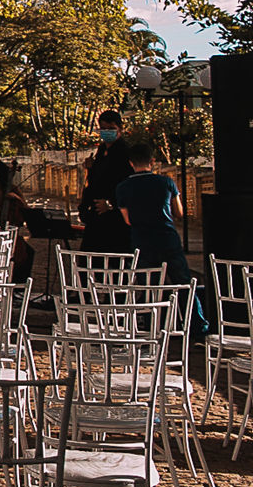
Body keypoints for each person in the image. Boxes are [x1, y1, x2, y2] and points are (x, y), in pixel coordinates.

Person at [115, 144, 210, 337]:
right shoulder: (166, 182)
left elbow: (128, 220)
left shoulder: (123, 187)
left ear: (131, 163)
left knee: (149, 285)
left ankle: (152, 325)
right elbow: (180, 212)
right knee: (183, 284)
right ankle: (197, 325)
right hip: (167, 238)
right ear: (152, 162)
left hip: (142, 241)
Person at [79, 109, 135, 252]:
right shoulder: (101, 150)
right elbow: (95, 180)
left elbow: (128, 184)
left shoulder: (125, 152)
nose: (107, 132)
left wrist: (111, 204)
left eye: (111, 129)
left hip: (115, 218)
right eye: (104, 129)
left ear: (120, 128)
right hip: (96, 213)